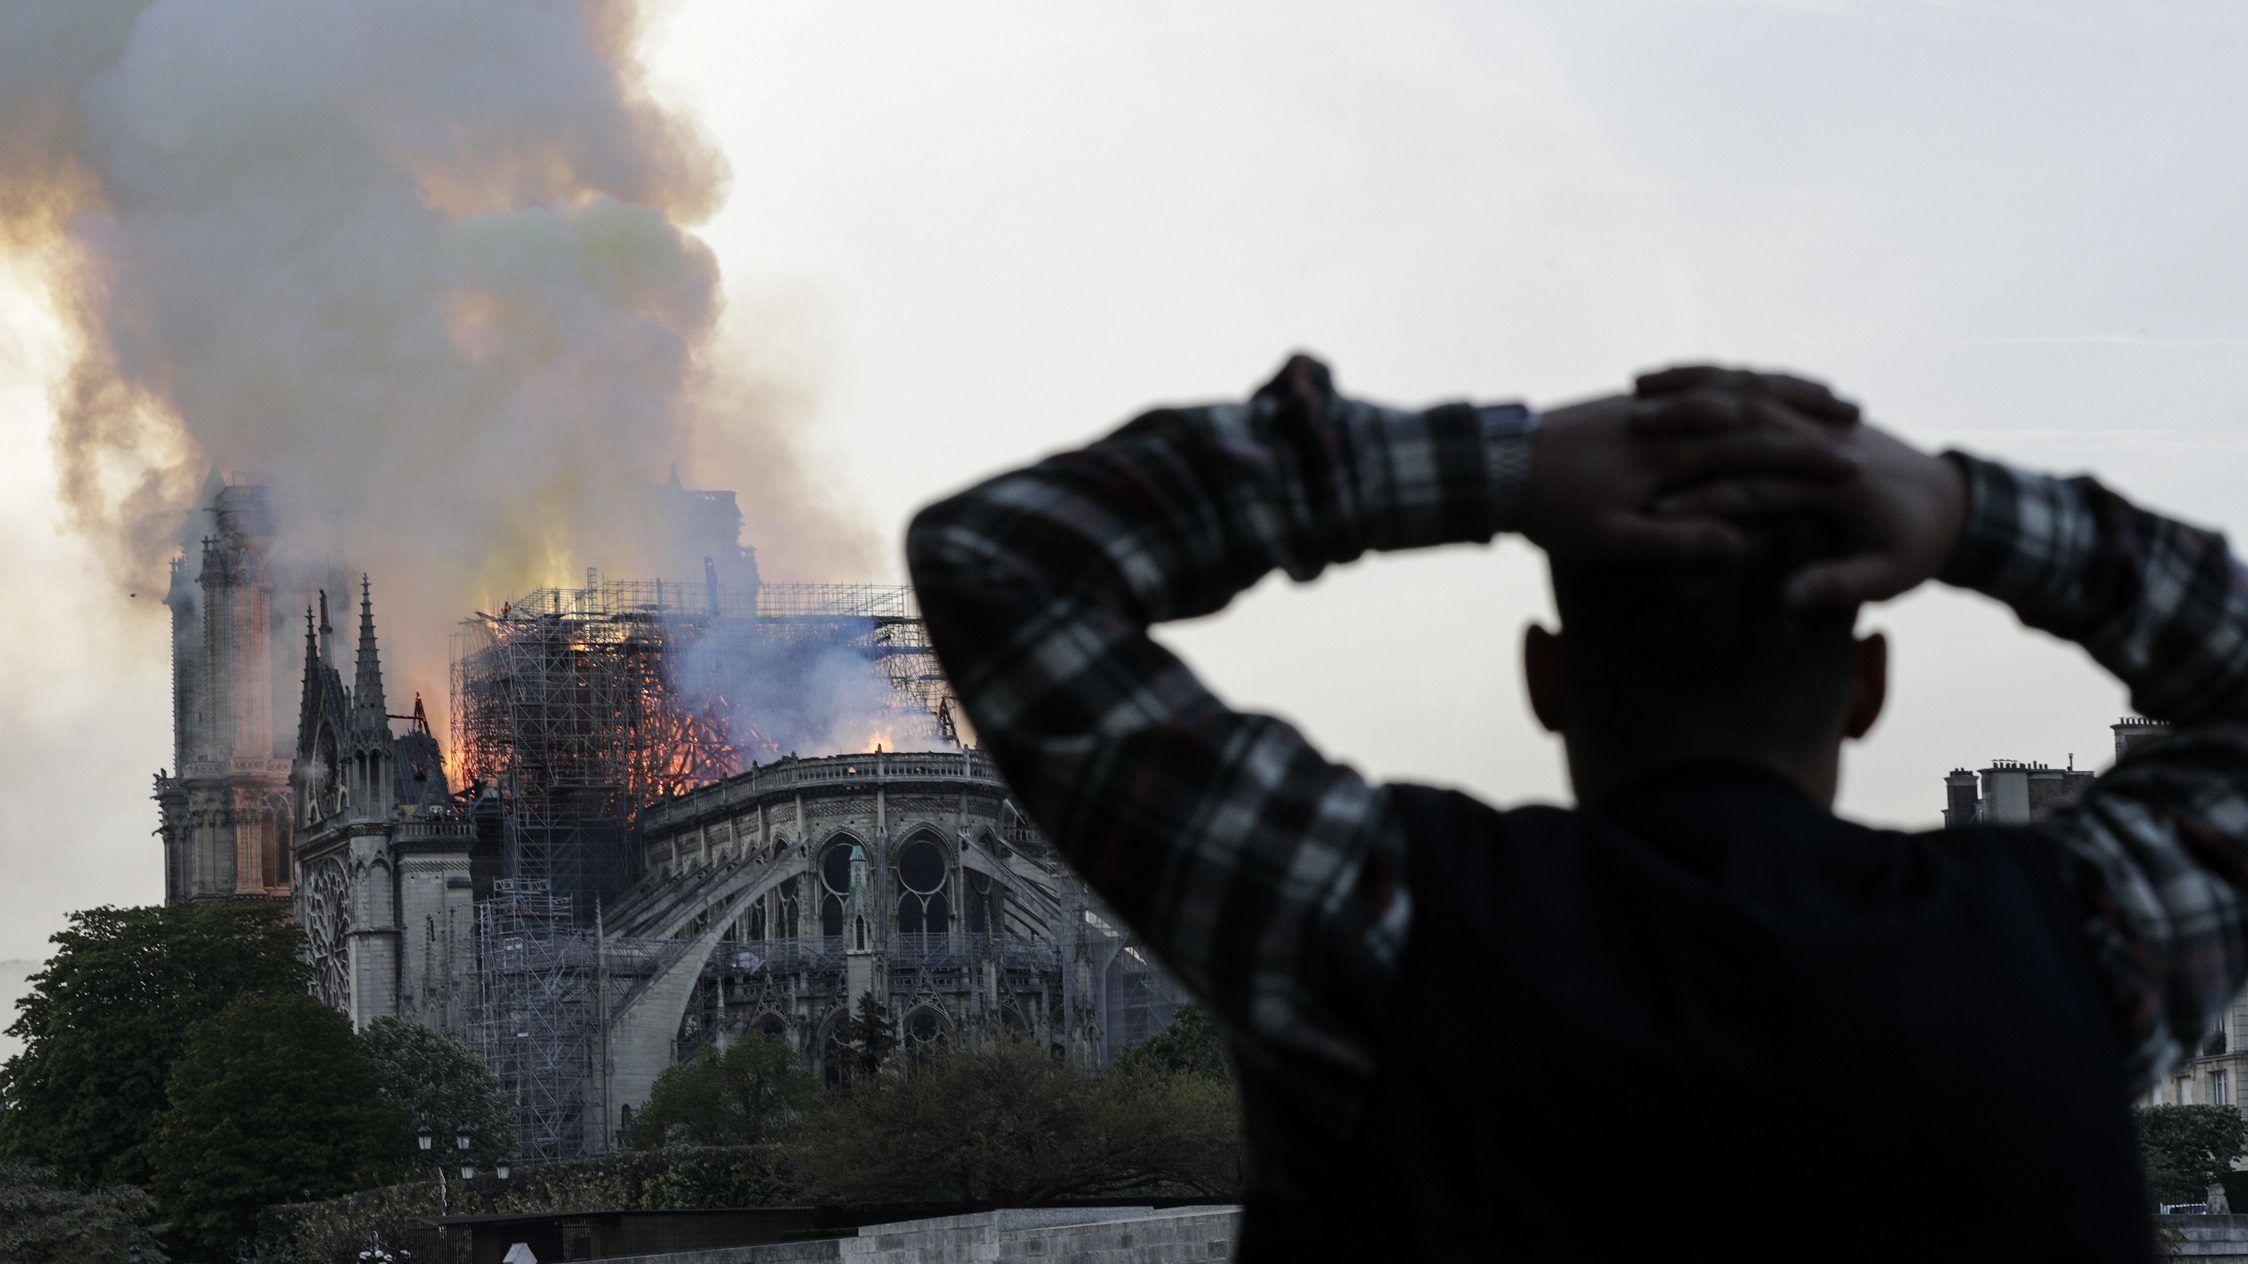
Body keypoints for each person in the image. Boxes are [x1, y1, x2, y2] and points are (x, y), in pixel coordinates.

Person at [905, 356, 2248, 1260]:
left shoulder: (1376, 921)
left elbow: (1004, 557)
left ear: (1544, 678)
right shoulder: (2079, 952)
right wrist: (1965, 513)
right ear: (1868, 687)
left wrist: (1503, 468)